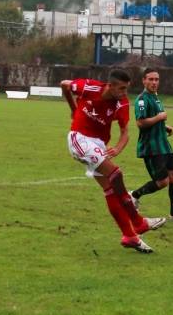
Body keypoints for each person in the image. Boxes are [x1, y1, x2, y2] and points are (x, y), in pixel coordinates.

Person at [61, 70, 166, 254]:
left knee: (110, 188)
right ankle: (138, 222)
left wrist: (117, 148)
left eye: (127, 88)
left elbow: (125, 131)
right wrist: (73, 109)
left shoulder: (121, 103)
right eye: (122, 88)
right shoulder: (89, 86)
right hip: (79, 138)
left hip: (98, 144)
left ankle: (130, 236)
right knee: (116, 174)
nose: (125, 93)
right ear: (110, 86)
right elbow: (64, 84)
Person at [129, 68, 173, 222]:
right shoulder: (142, 100)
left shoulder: (156, 98)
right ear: (144, 80)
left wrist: (164, 126)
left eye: (156, 79)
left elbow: (155, 120)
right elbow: (141, 123)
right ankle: (133, 195)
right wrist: (159, 117)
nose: (154, 82)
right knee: (162, 182)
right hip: (151, 147)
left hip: (164, 145)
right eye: (150, 79)